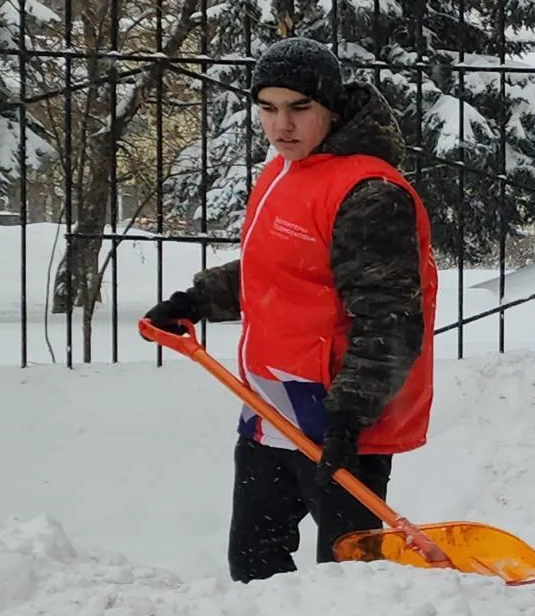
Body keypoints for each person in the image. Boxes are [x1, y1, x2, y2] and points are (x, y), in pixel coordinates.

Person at [146, 35, 439, 583]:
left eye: (299, 108)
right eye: (268, 108)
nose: (282, 125)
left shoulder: (370, 192)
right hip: (270, 407)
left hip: (336, 418)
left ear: (329, 106)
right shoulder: (283, 172)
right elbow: (277, 267)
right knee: (254, 569)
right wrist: (196, 300)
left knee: (349, 583)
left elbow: (390, 318)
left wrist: (349, 417)